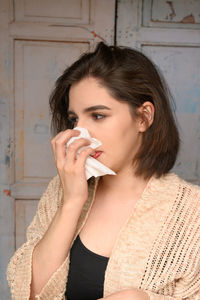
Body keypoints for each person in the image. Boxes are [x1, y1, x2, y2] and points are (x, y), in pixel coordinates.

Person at [7, 42, 200, 300]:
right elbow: (28, 294)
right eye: (75, 119)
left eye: (97, 116)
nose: (80, 133)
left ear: (143, 118)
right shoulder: (62, 189)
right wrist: (72, 201)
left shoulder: (191, 212)